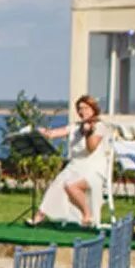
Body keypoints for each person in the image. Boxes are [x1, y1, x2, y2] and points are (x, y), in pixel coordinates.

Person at [27, 94, 112, 227]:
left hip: (93, 168)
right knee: (56, 185)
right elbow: (54, 134)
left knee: (70, 186)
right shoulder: (75, 126)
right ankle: (38, 217)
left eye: (85, 108)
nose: (82, 111)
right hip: (75, 166)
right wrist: (42, 132)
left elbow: (91, 149)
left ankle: (87, 214)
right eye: (79, 108)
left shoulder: (100, 126)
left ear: (93, 109)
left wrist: (88, 133)